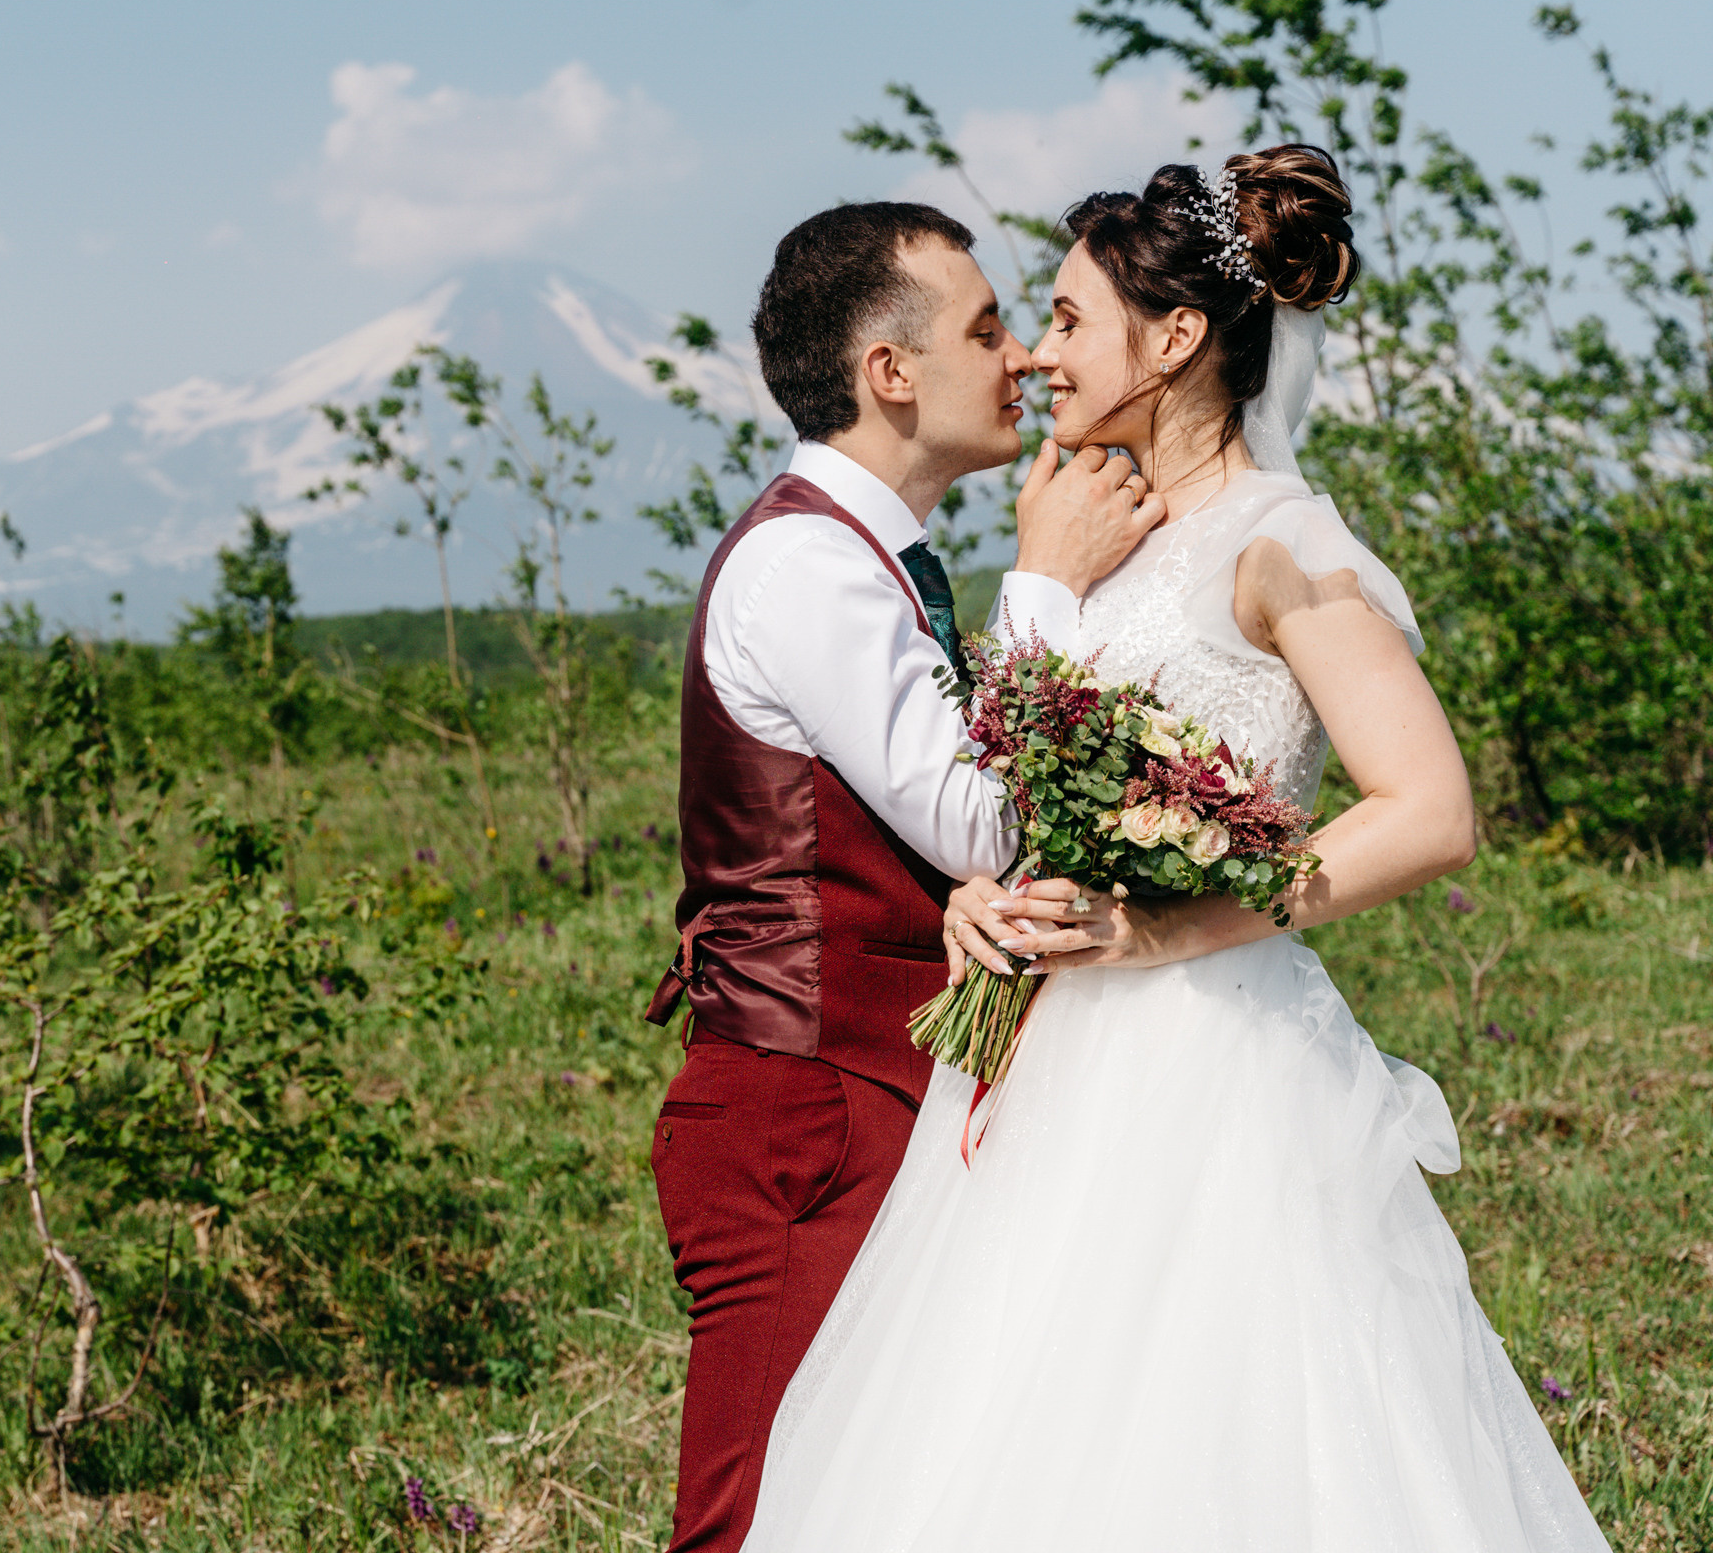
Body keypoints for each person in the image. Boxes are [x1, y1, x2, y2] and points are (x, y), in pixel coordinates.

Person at [738, 148, 1611, 1552]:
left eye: (1068, 320)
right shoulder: (1104, 531)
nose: (1038, 354)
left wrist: (1164, 931)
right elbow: (1025, 790)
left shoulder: (1280, 543)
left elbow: (1429, 810)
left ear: (1176, 339)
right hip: (1045, 1063)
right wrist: (983, 894)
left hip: (1213, 1060)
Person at [643, 201, 1163, 1553]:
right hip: (806, 1108)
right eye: (987, 331)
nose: (1023, 357)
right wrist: (1043, 584)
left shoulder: (871, 559)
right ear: (890, 371)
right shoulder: (805, 563)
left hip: (872, 1092)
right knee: (754, 1518)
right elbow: (980, 823)